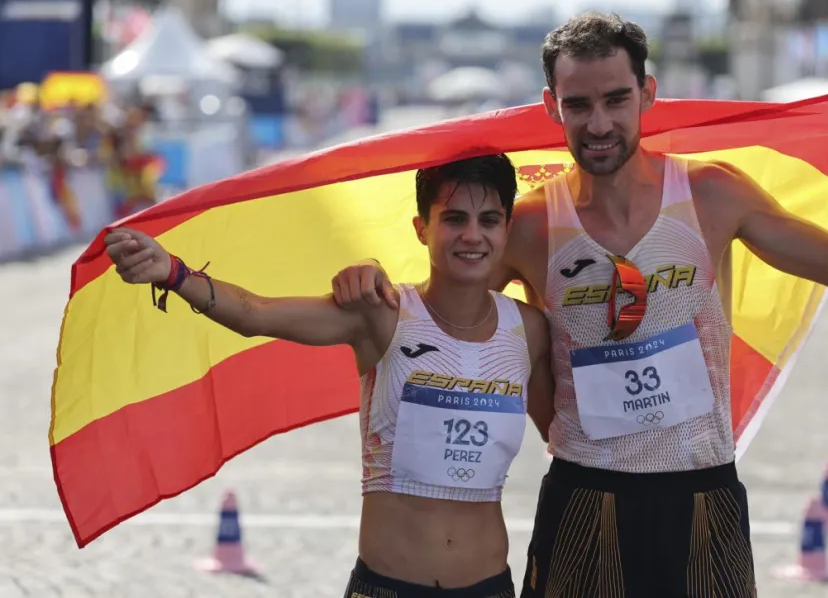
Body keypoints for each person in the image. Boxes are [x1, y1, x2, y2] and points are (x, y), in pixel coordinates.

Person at [329, 12, 828, 597]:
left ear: (648, 94)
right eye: (579, 106)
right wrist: (376, 277)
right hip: (584, 500)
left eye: (616, 99)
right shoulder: (532, 226)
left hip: (704, 497)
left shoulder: (712, 193)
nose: (599, 123)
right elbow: (444, 312)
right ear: (550, 106)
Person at [104, 153, 556, 598]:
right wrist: (173, 273)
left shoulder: (528, 330)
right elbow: (255, 314)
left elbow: (564, 434)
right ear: (422, 228)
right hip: (388, 586)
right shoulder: (382, 315)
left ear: (507, 229)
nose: (472, 235)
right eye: (455, 218)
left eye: (489, 220)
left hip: (490, 587)